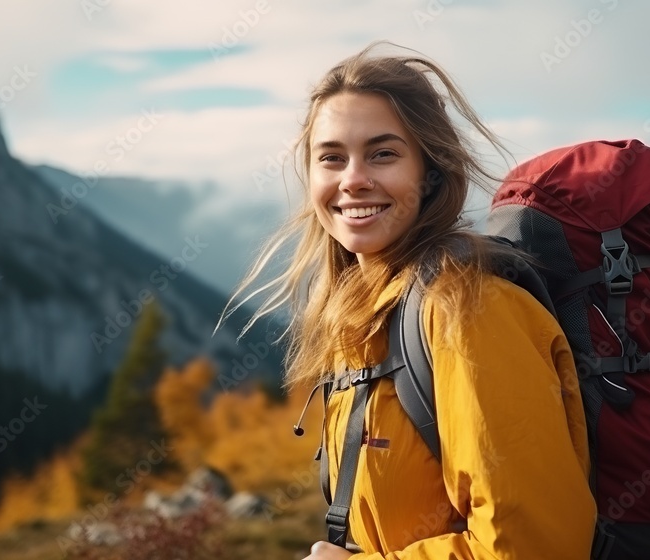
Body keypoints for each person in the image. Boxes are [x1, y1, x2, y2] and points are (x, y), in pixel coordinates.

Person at [225, 42, 596, 559]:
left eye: (383, 153)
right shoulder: (368, 314)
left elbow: (535, 546)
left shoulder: (467, 310)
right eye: (331, 157)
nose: (352, 179)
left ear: (431, 172)